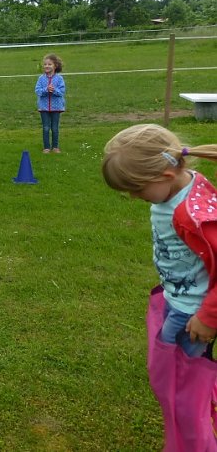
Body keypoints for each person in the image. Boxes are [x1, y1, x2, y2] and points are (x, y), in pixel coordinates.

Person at [102, 124, 217, 446]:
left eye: (136, 189)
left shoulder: (191, 214)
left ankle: (197, 442)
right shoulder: (181, 189)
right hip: (179, 301)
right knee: (173, 375)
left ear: (165, 176)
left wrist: (208, 317)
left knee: (180, 388)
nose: (133, 197)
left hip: (192, 315)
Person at [35, 53, 66, 154]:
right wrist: (46, 90)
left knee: (55, 128)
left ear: (55, 66)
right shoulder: (41, 78)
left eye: (49, 64)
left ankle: (55, 147)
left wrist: (54, 90)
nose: (47, 66)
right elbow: (37, 91)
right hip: (43, 108)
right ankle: (46, 147)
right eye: (45, 64)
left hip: (56, 107)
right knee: (46, 128)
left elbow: (61, 92)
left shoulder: (59, 79)